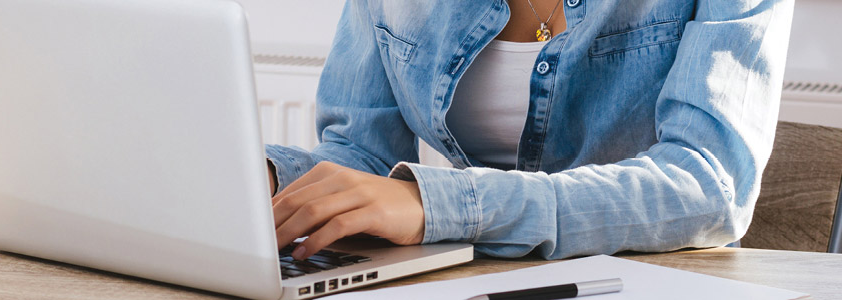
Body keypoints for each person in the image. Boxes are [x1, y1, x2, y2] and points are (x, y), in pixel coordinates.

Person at [265, 0, 796, 261]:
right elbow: (362, 153)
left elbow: (708, 185)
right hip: (476, 279)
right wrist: (262, 180)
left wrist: (444, 205)